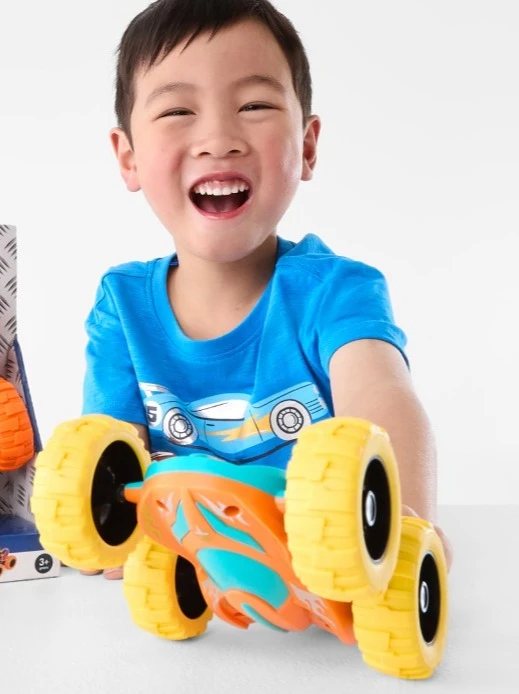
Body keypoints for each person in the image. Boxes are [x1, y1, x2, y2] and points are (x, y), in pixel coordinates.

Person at [81, 0, 453, 579]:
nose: (219, 138)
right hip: (196, 601)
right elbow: (109, 475)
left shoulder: (336, 292)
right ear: (128, 158)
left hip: (320, 578)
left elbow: (384, 401)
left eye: (253, 105)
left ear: (306, 146)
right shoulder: (122, 308)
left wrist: (400, 533)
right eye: (179, 110)